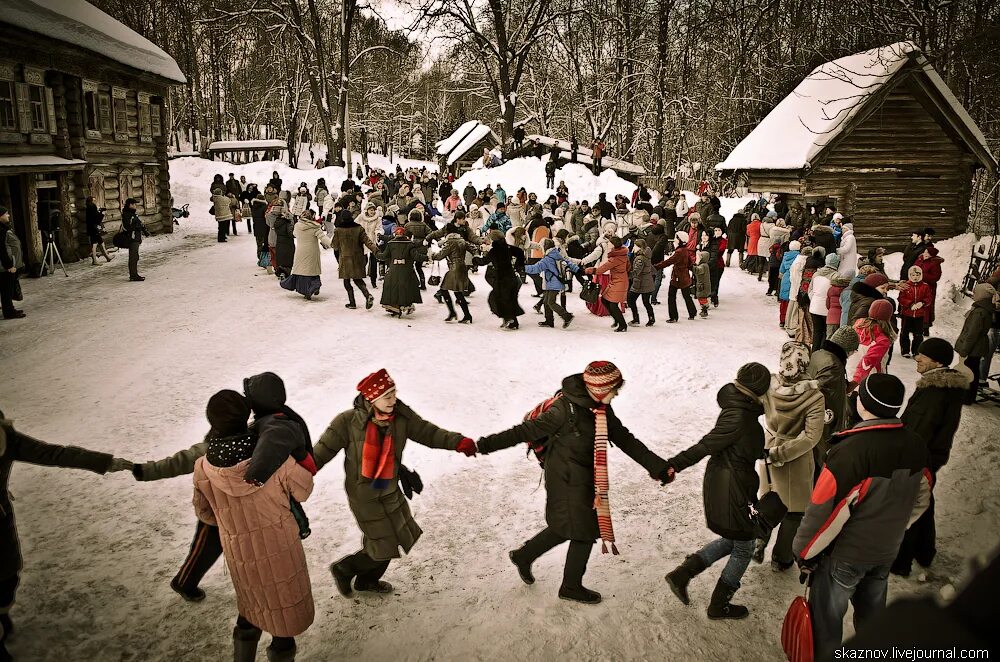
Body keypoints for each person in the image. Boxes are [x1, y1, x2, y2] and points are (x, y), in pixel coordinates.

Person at [477, 362, 672, 604]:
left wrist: (658, 467)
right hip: (565, 478)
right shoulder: (563, 410)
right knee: (584, 530)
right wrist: (483, 445)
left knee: (567, 526)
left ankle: (524, 556)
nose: (617, 393)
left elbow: (624, 438)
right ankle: (571, 586)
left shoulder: (600, 409)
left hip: (584, 475)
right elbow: (523, 432)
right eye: (615, 389)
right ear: (600, 389)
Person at [793, 373, 932, 659]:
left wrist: (804, 553)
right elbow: (922, 497)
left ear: (865, 406)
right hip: (885, 551)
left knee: (827, 625)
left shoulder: (850, 452)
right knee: (873, 620)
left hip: (845, 556)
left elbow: (825, 513)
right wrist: (896, 527)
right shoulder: (916, 444)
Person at [318, 370, 475, 596]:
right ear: (371, 398)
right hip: (364, 495)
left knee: (393, 540)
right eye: (387, 396)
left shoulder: (401, 417)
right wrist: (294, 475)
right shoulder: (347, 422)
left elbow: (429, 433)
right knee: (382, 544)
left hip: (390, 488)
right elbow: (321, 452)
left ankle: (366, 581)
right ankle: (344, 569)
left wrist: (458, 442)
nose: (393, 400)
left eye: (394, 393)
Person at [1, 409, 133, 660]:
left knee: (7, 576)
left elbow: (52, 453)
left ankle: (2, 615)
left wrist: (103, 461)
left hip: (0, 521)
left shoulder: (4, 435)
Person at [192, 390, 314, 662]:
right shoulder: (274, 457)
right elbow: (304, 489)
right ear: (247, 415)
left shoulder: (203, 466)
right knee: (282, 620)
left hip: (240, 555)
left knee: (252, 607)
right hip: (281, 549)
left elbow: (206, 514)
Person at [663, 363, 771, 619]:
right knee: (744, 546)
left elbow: (739, 444)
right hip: (730, 486)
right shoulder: (739, 415)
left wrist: (762, 452)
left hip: (731, 482)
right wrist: (673, 465)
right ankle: (718, 605)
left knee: (735, 538)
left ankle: (682, 574)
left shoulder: (742, 409)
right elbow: (707, 445)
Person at [891, 338, 971, 577]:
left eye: (922, 356)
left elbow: (920, 430)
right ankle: (925, 551)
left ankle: (901, 562)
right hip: (928, 457)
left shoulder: (936, 392)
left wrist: (902, 454)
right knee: (924, 501)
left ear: (937, 362)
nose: (917, 358)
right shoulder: (938, 386)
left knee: (909, 506)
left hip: (920, 458)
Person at [752, 341, 826, 571]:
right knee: (794, 512)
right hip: (796, 459)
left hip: (767, 448)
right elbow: (811, 437)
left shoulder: (769, 385)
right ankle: (782, 559)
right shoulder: (814, 396)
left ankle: (759, 539)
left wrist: (768, 450)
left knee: (768, 498)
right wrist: (781, 454)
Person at [806, 326, 860, 472]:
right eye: (854, 350)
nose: (853, 354)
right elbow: (828, 399)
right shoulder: (834, 365)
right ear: (846, 348)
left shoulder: (819, 354)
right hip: (823, 425)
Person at [955, 283, 999, 405]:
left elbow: (972, 333)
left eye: (976, 292)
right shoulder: (983, 309)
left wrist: (964, 349)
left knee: (969, 371)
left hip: (974, 346)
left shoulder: (980, 311)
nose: (974, 294)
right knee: (972, 369)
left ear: (982, 295)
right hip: (977, 346)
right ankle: (968, 396)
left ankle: (967, 397)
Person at [473, 229, 524, 329]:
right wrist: (518, 266)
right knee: (509, 299)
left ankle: (509, 318)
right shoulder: (508, 248)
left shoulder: (494, 250)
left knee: (495, 299)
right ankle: (512, 321)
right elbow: (520, 252)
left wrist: (475, 259)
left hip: (502, 279)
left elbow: (484, 261)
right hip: (511, 277)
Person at [331, 207, 377, 310]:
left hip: (345, 258)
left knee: (346, 281)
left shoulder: (338, 230)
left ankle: (352, 303)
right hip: (358, 258)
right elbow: (368, 242)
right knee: (358, 280)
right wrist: (376, 250)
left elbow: (334, 245)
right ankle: (367, 295)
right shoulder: (359, 228)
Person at [527, 238, 580, 329]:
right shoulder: (557, 254)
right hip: (556, 281)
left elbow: (535, 268)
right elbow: (568, 263)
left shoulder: (547, 259)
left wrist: (522, 268)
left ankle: (567, 316)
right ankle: (549, 321)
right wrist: (579, 270)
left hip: (553, 283)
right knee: (546, 301)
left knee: (551, 302)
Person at [280, 209, 331, 300]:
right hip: (312, 252)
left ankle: (306, 289)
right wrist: (334, 244)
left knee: (301, 271)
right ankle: (314, 286)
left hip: (300, 251)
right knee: (312, 271)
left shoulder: (297, 226)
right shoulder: (315, 227)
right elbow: (323, 238)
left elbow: (294, 234)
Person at [376, 227, 425, 318]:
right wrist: (427, 257)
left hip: (393, 270)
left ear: (395, 234)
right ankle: (406, 304)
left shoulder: (390, 244)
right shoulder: (410, 244)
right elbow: (416, 256)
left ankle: (393, 306)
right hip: (407, 270)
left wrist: (375, 251)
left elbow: (383, 256)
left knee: (391, 286)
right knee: (410, 285)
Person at [585, 236, 629, 332]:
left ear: (613, 245)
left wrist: (588, 270)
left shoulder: (616, 258)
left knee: (613, 304)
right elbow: (628, 267)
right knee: (605, 300)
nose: (607, 244)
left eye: (609, 243)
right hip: (617, 280)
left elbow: (602, 269)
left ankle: (623, 325)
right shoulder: (621, 254)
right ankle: (617, 320)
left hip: (619, 282)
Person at [851, 300, 896, 391]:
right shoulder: (882, 340)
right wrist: (854, 383)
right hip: (868, 380)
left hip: (850, 371)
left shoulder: (857, 326)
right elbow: (868, 361)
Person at [430, 232, 473, 323]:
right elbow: (474, 248)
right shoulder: (463, 241)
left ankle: (455, 313)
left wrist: (433, 255)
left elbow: (440, 256)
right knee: (458, 293)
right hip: (462, 267)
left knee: (444, 290)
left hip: (454, 268)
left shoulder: (450, 243)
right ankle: (466, 315)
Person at [898, 266, 933, 358]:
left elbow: (929, 298)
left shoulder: (925, 286)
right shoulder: (906, 286)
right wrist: (910, 304)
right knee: (905, 332)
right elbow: (901, 298)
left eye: (917, 275)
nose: (915, 277)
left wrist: (922, 303)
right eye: (913, 275)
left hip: (919, 315)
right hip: (907, 314)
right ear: (910, 275)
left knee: (918, 334)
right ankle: (905, 350)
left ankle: (916, 351)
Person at [0, 207, 25, 319]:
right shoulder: (0, 230)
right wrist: (9, 265)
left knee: (7, 289)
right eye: (6, 214)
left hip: (6, 264)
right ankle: (9, 311)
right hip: (4, 266)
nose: (8, 215)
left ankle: (9, 309)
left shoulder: (3, 228)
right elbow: (1, 249)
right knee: (6, 289)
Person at [627, 238, 655, 326]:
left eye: (635, 245)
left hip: (640, 283)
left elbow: (636, 272)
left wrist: (626, 275)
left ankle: (636, 319)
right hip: (646, 282)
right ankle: (651, 318)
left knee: (631, 300)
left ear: (639, 247)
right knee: (646, 302)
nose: (633, 247)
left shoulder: (640, 258)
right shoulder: (645, 255)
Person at [121, 198, 149, 282]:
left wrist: (143, 228)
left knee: (135, 257)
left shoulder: (132, 214)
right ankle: (133, 275)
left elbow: (137, 223)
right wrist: (138, 227)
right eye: (134, 204)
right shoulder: (127, 214)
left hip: (136, 238)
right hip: (132, 238)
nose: (135, 205)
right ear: (130, 205)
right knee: (133, 257)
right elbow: (127, 227)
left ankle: (134, 274)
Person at [778, 240, 801, 327]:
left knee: (784, 300)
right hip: (795, 277)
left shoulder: (786, 256)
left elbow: (782, 269)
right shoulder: (800, 257)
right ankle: (790, 320)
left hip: (786, 277)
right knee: (792, 300)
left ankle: (782, 320)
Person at [84, 197, 113, 265]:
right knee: (94, 244)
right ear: (91, 201)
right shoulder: (92, 208)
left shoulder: (89, 208)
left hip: (91, 228)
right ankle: (94, 260)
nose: (95, 201)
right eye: (94, 200)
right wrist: (102, 213)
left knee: (101, 242)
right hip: (94, 228)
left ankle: (107, 257)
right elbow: (97, 220)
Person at [693, 250, 711, 319]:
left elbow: (698, 271)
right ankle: (704, 308)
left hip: (702, 286)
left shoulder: (703, 266)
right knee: (701, 298)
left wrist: (692, 267)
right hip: (703, 285)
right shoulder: (705, 265)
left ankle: (705, 309)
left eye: (699, 258)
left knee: (702, 298)